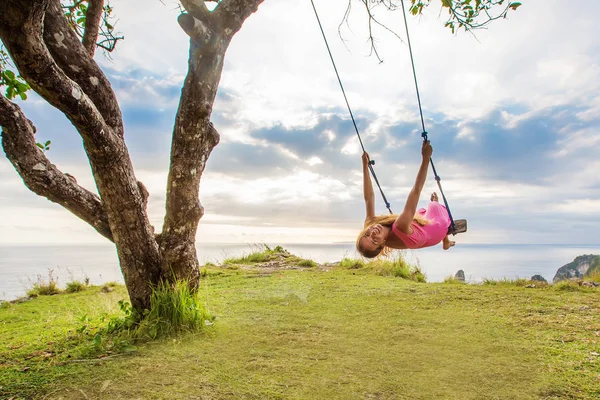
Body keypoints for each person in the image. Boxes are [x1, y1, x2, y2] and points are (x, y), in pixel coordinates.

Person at [356, 141, 463, 258]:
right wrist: (426, 158)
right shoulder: (400, 226)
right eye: (374, 241)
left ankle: (446, 242)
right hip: (436, 231)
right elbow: (416, 191)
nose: (372, 233)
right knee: (433, 206)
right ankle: (444, 237)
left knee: (421, 213)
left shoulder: (371, 224)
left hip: (424, 233)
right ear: (382, 245)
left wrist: (365, 167)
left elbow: (369, 198)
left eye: (366, 235)